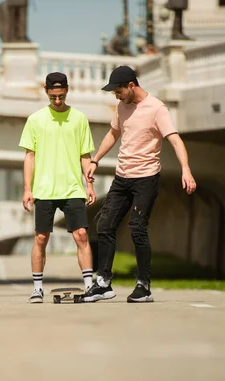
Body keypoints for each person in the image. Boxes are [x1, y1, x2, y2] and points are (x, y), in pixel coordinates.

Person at [83, 65, 197, 303]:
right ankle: (103, 283)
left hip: (146, 178)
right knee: (104, 224)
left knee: (137, 227)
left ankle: (143, 285)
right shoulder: (121, 106)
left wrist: (186, 169)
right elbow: (113, 134)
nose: (116, 95)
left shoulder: (157, 109)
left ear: (131, 86)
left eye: (118, 90)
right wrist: (95, 160)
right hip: (121, 176)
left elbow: (175, 141)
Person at [19, 72, 96, 304]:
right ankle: (37, 288)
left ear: (67, 91)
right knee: (41, 238)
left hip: (73, 188)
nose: (58, 101)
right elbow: (29, 156)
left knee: (81, 235)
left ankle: (90, 286)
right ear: (46, 92)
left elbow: (85, 155)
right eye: (53, 97)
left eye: (61, 96)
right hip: (44, 189)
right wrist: (27, 188)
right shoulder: (35, 119)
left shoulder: (79, 118)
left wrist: (89, 185)